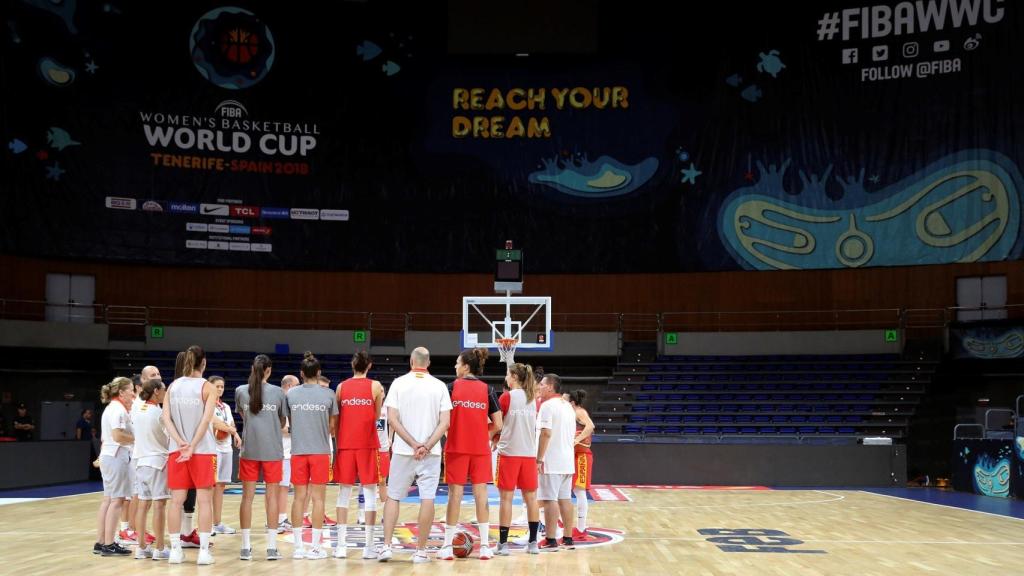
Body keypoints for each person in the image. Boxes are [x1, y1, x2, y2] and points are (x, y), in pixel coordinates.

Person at [378, 347, 451, 564]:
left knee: (393, 497)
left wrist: (412, 443)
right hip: (431, 453)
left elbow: (392, 418)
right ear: (428, 363)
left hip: (403, 450)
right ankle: (420, 551)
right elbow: (445, 422)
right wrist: (426, 446)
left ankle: (387, 547)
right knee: (427, 498)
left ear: (412, 361)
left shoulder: (399, 383)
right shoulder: (439, 386)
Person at [438, 348, 502, 561]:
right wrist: (481, 432)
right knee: (481, 495)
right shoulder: (488, 389)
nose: (455, 366)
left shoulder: (450, 388)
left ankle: (447, 546)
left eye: (457, 362)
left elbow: (444, 421)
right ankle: (484, 547)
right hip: (480, 449)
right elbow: (498, 423)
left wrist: (453, 432)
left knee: (454, 496)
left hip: (456, 448)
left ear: (466, 366)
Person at [162, 345, 219, 565]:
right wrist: (192, 445)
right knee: (205, 501)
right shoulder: (207, 387)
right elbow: (206, 420)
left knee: (175, 501)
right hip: (202, 451)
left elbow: (166, 419)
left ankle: (176, 550)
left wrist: (180, 443)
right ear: (203, 363)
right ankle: (204, 552)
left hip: (177, 451)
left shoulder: (173, 386)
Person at [235, 354, 289, 561]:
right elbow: (282, 422)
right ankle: (272, 547)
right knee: (272, 497)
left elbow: (243, 415)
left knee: (246, 498)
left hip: (249, 450)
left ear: (253, 368)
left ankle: (245, 547)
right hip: (272, 451)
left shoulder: (240, 391)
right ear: (269, 370)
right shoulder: (278, 393)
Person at [332, 350, 385, 558]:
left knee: (343, 494)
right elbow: (376, 415)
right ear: (369, 366)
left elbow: (338, 418)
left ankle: (341, 546)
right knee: (370, 493)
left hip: (345, 444)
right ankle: (368, 547)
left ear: (352, 365)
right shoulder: (376, 386)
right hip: (367, 444)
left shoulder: (341, 387)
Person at [286, 352, 338, 560]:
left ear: (301, 373)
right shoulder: (329, 394)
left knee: (298, 498)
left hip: (298, 451)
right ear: (318, 373)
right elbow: (333, 427)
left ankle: (298, 547)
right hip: (320, 452)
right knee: (318, 499)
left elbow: (290, 421)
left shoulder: (291, 394)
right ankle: (316, 547)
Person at [494, 362, 541, 555]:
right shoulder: (533, 399)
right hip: (529, 455)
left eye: (507, 374)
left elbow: (498, 424)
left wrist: (495, 437)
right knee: (531, 499)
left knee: (506, 499)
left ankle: (503, 545)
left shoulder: (507, 397)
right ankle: (533, 543)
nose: (506, 377)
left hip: (509, 453)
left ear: (513, 377)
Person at [94, 377, 134, 557]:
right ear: (122, 392)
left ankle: (101, 541)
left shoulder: (111, 407)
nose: (133, 393)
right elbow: (118, 436)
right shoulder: (118, 409)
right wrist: (138, 438)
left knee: (108, 499)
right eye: (131, 390)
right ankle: (109, 543)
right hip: (116, 455)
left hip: (108, 455)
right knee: (117, 500)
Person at [536, 373, 577, 550]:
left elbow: (546, 433)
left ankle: (551, 539)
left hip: (551, 459)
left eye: (542, 384)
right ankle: (568, 538)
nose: (539, 387)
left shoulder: (547, 406)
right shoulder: (568, 406)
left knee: (549, 499)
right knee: (565, 499)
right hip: (567, 459)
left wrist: (539, 458)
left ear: (551, 387)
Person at [131, 378, 170, 560]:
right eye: (163, 389)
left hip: (140, 462)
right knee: (159, 505)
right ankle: (160, 548)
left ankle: (141, 547)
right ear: (156, 391)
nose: (165, 393)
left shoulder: (137, 410)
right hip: (157, 462)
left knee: (142, 505)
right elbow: (169, 437)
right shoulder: (159, 413)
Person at [209, 375, 241, 536]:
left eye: (222, 386)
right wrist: (230, 429)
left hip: (226, 448)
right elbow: (216, 424)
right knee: (211, 486)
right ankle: (207, 524)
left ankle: (217, 522)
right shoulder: (207, 405)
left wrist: (236, 435)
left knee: (221, 486)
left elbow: (232, 425)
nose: (220, 389)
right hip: (213, 449)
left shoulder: (226, 407)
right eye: (217, 386)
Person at [567, 389, 595, 540]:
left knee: (579, 492)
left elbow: (590, 426)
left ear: (572, 402)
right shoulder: (572, 413)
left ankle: (581, 528)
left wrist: (577, 440)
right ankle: (562, 522)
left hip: (582, 456)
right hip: (574, 455)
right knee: (570, 491)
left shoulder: (579, 411)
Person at [275, 374, 299, 533]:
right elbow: (278, 426)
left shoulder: (288, 401)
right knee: (280, 487)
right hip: (281, 451)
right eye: (297, 385)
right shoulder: (280, 400)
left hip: (288, 451)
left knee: (284, 487)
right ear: (289, 386)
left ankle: (281, 518)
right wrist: (296, 430)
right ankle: (278, 519)